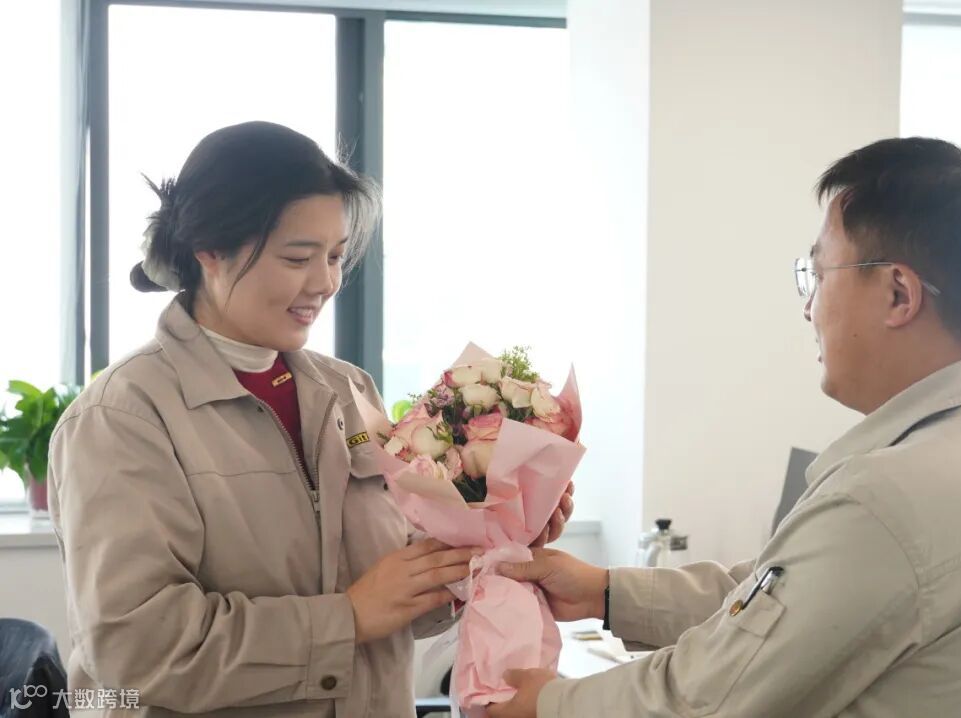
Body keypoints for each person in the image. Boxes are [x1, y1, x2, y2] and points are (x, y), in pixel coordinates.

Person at [489, 137, 961, 717]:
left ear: (899, 294)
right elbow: (778, 606)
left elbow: (704, 699)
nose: (808, 307)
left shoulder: (889, 501)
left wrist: (552, 704)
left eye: (818, 274)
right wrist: (607, 592)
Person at [47, 121, 573, 717]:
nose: (325, 283)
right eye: (298, 257)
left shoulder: (349, 391)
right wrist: (346, 619)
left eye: (336, 256)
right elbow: (135, 648)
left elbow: (399, 588)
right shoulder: (124, 418)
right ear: (210, 251)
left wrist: (495, 533)